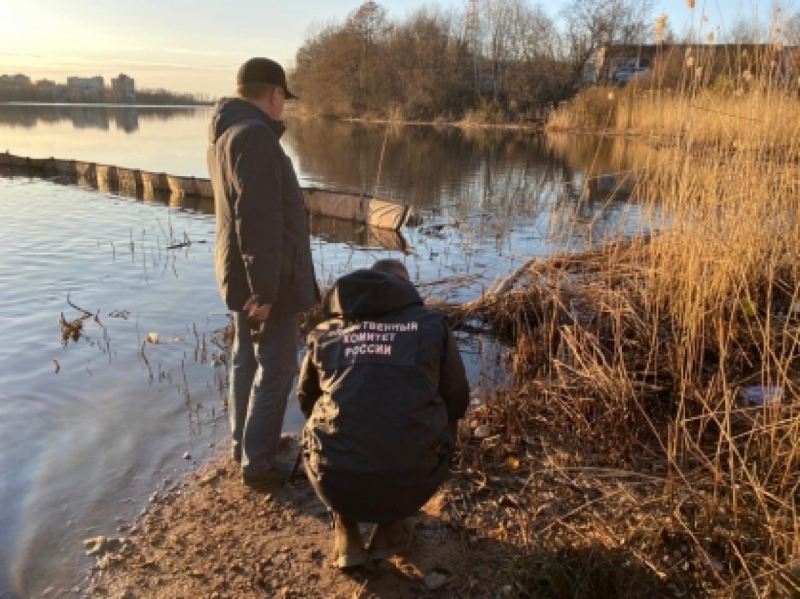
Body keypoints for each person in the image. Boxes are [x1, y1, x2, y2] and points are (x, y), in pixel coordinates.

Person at [298, 259, 470, 568]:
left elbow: (306, 400)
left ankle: (347, 529)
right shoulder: (431, 325)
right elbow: (457, 399)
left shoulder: (324, 331)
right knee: (442, 421)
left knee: (322, 425)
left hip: (334, 479)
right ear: (405, 289)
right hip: (409, 474)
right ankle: (390, 528)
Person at [207, 57, 318, 490]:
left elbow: (241, 217)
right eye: (283, 98)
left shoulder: (226, 132)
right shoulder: (255, 137)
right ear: (273, 94)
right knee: (276, 368)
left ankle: (244, 446)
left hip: (241, 273)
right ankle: (259, 465)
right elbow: (258, 221)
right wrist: (267, 290)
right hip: (268, 278)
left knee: (245, 359)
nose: (283, 107)